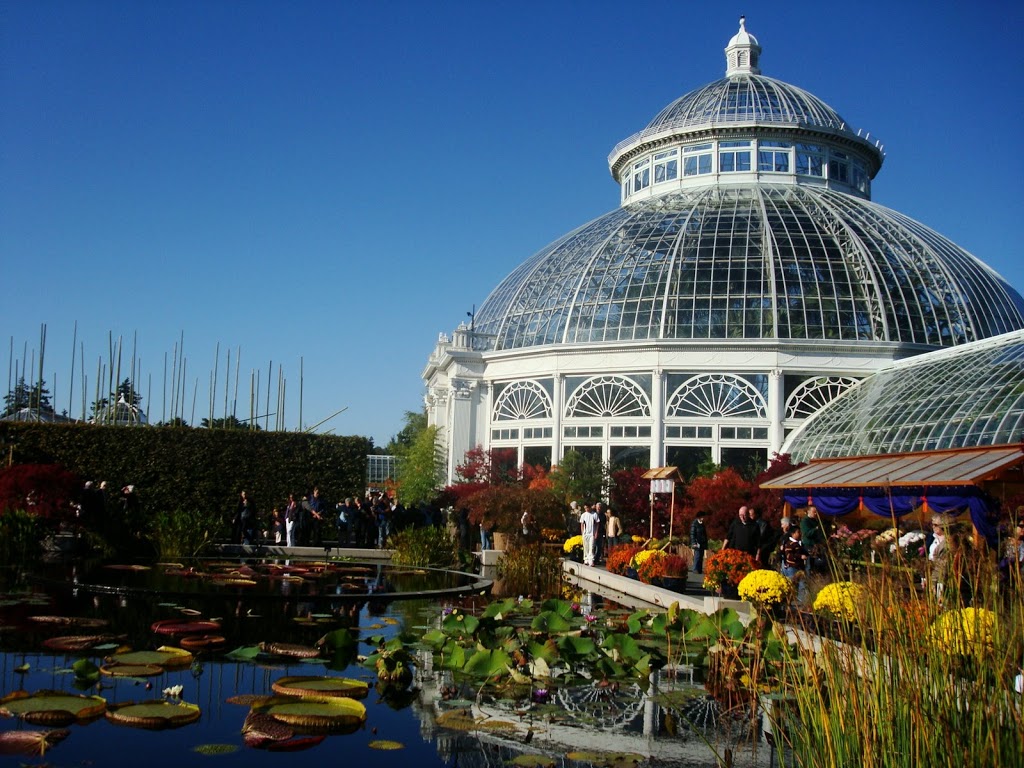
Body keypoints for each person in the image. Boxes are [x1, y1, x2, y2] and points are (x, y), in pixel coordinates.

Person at [780, 527, 808, 602]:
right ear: (793, 534)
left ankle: (800, 601)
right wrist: (800, 556)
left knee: (802, 584)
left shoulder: (799, 543)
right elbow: (789, 555)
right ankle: (789, 601)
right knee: (792, 586)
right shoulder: (789, 544)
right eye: (798, 532)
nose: (800, 534)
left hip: (799, 567)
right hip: (792, 568)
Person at [800, 506, 828, 574]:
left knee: (820, 562)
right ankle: (809, 580)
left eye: (816, 512)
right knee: (809, 564)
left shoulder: (816, 521)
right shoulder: (805, 521)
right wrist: (816, 529)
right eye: (814, 512)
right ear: (808, 511)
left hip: (817, 545)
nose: (815, 513)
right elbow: (807, 534)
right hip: (809, 545)